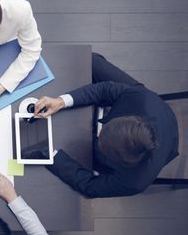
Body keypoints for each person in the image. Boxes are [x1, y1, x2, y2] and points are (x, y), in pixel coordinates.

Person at [33, 53, 179, 198]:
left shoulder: (134, 182)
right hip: (155, 108)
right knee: (90, 60)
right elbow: (104, 90)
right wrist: (61, 102)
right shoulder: (142, 98)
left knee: (84, 156)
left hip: (166, 142)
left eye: (100, 142)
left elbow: (90, 186)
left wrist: (51, 155)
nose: (97, 134)